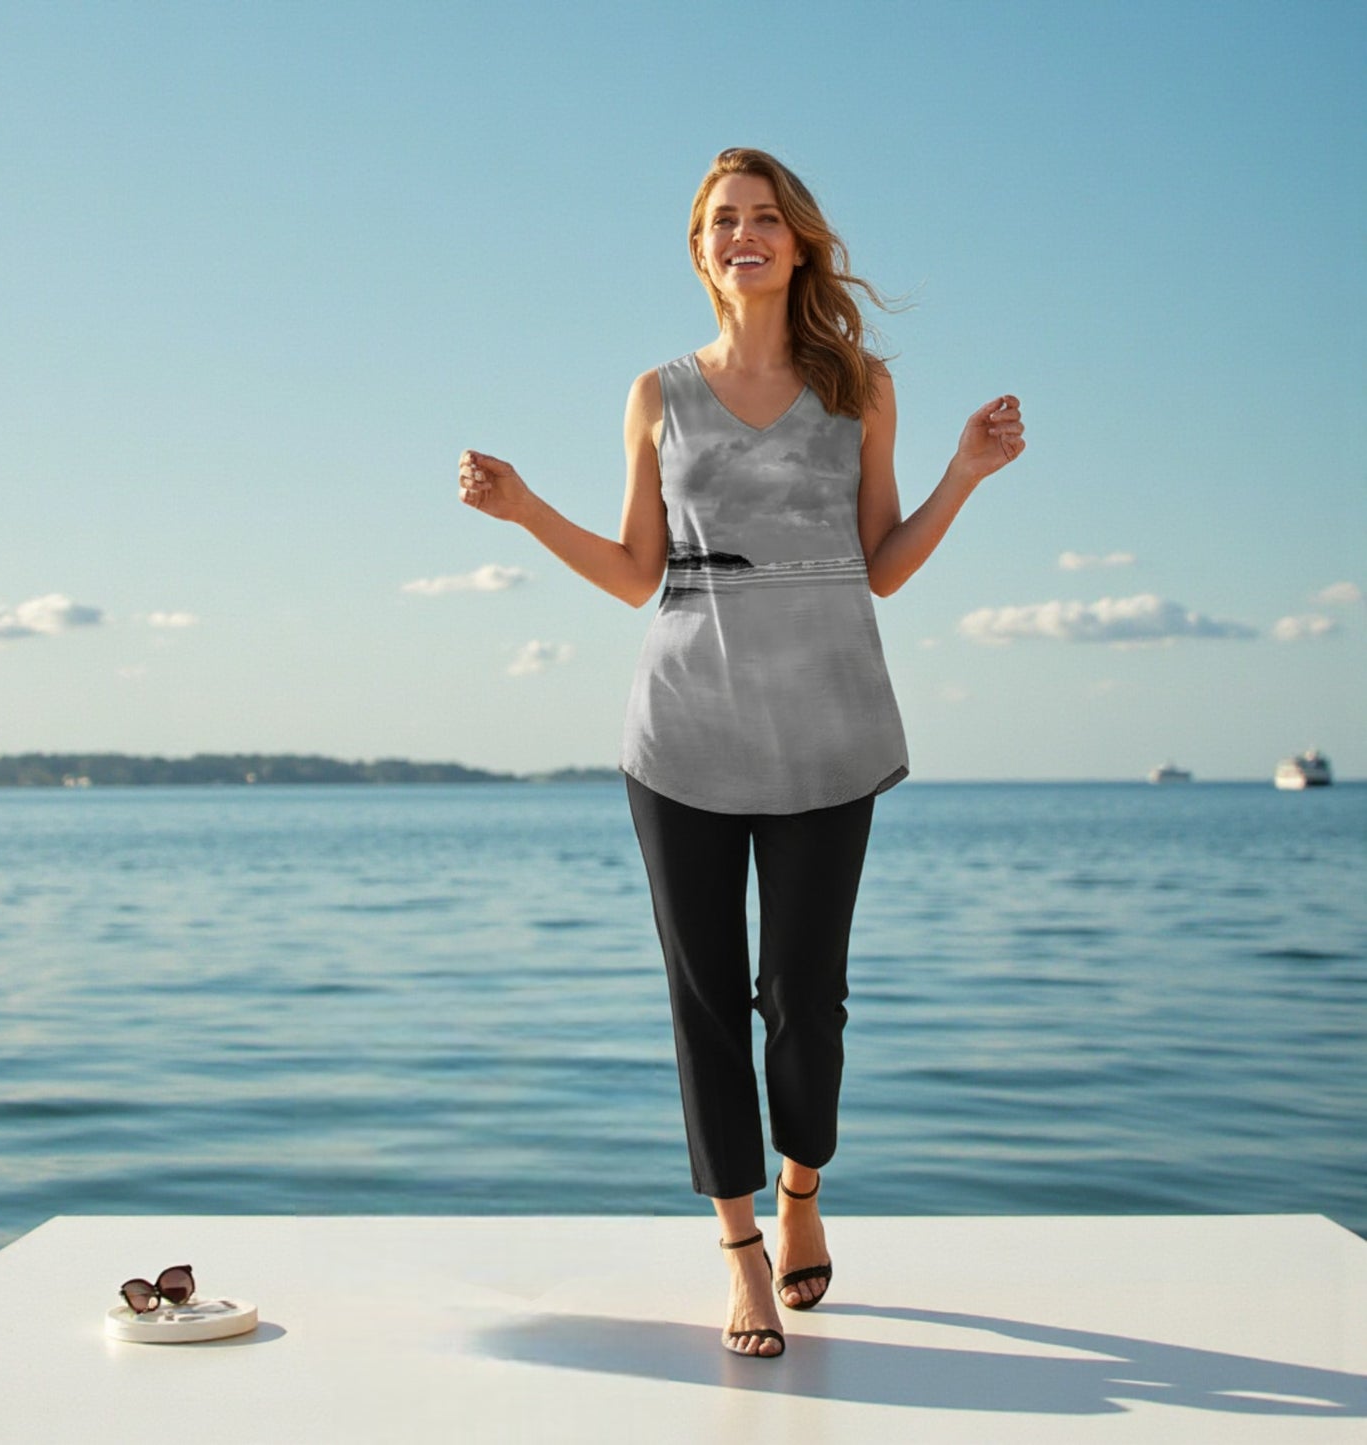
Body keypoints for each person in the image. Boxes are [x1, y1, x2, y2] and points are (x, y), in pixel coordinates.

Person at [458, 147, 1024, 1358]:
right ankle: (740, 1251)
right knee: (705, 1002)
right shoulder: (657, 393)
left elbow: (880, 563)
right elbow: (630, 573)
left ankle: (802, 1190)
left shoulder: (857, 385)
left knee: (803, 1002)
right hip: (681, 729)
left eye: (765, 217)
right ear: (699, 249)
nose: (744, 235)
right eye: (723, 221)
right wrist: (523, 510)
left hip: (828, 722)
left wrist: (962, 476)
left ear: (798, 242)